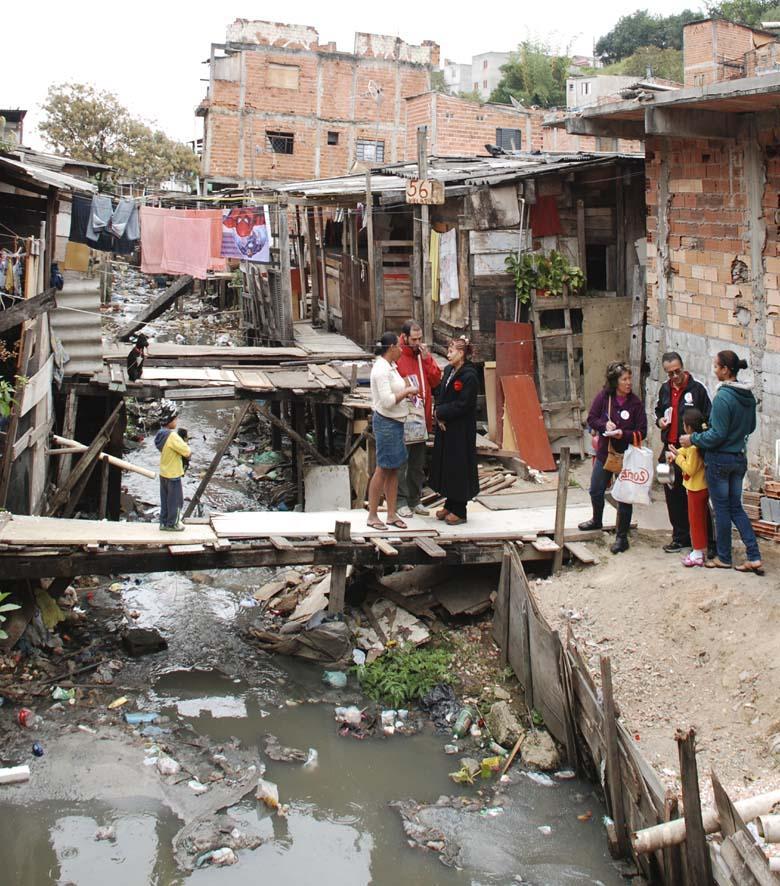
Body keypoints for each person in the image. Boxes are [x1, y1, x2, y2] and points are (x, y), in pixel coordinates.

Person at [679, 350, 763, 574]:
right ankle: (753, 555)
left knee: (723, 510)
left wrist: (693, 439)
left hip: (720, 460)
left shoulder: (723, 397)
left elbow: (716, 435)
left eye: (716, 367)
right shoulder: (747, 397)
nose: (714, 370)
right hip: (739, 458)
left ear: (726, 370)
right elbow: (751, 427)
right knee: (737, 508)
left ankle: (724, 557)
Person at [579, 362, 648, 554]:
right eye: (624, 379)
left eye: (629, 378)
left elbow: (642, 431)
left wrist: (623, 434)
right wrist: (604, 426)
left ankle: (621, 537)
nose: (628, 383)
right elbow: (591, 418)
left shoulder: (635, 403)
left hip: (627, 456)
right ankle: (596, 520)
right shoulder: (604, 397)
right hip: (605, 452)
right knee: (596, 489)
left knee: (625, 497)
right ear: (615, 382)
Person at [654, 351, 712, 553]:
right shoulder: (665, 389)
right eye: (670, 373)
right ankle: (680, 536)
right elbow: (659, 411)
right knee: (673, 495)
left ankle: (707, 541)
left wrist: (695, 440)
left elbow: (707, 419)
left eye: (677, 371)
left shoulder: (697, 390)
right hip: (669, 450)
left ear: (683, 368)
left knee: (697, 496)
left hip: (691, 450)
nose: (674, 376)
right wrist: (660, 421)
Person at [367, 332, 418, 531]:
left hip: (396, 422)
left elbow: (394, 387)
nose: (401, 349)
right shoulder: (381, 369)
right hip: (386, 422)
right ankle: (372, 514)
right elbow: (387, 401)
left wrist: (405, 384)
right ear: (391, 348)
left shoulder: (392, 367)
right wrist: (407, 391)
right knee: (382, 468)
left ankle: (391, 513)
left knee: (394, 468)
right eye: (399, 346)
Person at [429, 336, 479, 525]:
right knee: (447, 465)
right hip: (446, 425)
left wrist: (442, 412)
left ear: (462, 353)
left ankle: (460, 510)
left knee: (459, 466)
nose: (448, 354)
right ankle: (449, 504)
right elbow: (441, 393)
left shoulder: (469, 376)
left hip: (461, 429)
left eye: (451, 351)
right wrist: (438, 413)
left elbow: (464, 404)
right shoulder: (449, 370)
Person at [396, 320, 442, 518]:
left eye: (420, 339)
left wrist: (428, 359)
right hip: (403, 416)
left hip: (421, 418)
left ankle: (415, 500)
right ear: (404, 337)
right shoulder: (397, 356)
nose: (417, 343)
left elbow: (436, 380)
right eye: (414, 339)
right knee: (402, 462)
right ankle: (400, 501)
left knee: (417, 462)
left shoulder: (422, 356)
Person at [666, 408, 709, 567]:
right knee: (700, 520)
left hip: (695, 489)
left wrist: (677, 458)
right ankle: (701, 549)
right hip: (701, 487)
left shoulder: (694, 449)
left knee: (695, 520)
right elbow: (684, 449)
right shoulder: (697, 445)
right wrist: (677, 451)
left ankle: (697, 552)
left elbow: (689, 469)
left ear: (688, 428)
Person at [154, 400, 191, 531]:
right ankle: (173, 524)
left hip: (163, 473)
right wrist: (184, 441)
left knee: (165, 501)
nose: (176, 421)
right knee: (175, 501)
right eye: (175, 418)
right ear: (170, 420)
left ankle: (163, 523)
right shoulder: (172, 436)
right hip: (173, 474)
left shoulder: (160, 434)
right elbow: (187, 451)